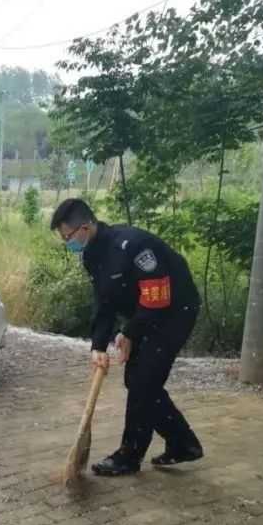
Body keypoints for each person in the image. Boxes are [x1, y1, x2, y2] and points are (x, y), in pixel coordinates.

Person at [51, 198, 204, 476]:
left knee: (142, 381)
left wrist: (129, 332)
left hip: (174, 312)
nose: (67, 243)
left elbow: (158, 299)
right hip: (143, 314)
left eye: (68, 237)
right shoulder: (91, 255)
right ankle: (182, 443)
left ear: (85, 228)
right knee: (139, 381)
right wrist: (98, 345)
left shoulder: (135, 246)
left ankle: (131, 456)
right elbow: (104, 301)